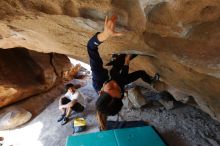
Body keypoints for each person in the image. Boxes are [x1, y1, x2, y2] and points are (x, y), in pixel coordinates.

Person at [87, 15, 160, 130]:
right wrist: (127, 63)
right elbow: (121, 79)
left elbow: (91, 48)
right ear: (120, 95)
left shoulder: (98, 79)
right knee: (139, 72)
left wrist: (104, 35)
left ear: (101, 93)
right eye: (118, 91)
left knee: (121, 60)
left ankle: (118, 59)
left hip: (112, 75)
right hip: (119, 78)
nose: (115, 85)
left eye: (112, 88)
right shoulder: (117, 91)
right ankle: (150, 80)